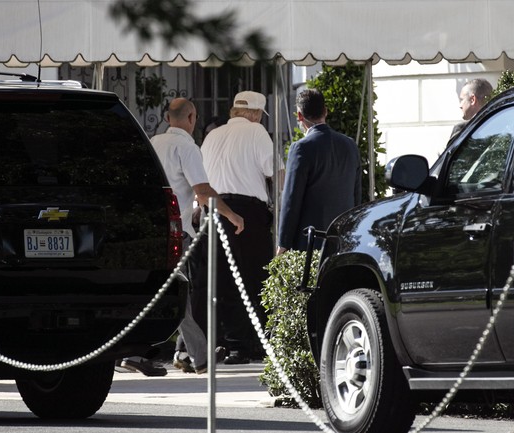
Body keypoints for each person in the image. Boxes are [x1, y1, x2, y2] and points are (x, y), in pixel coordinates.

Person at [121, 98, 244, 376]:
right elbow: (202, 190)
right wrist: (232, 215)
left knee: (157, 293)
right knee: (179, 296)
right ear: (191, 118)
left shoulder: (153, 141)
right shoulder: (186, 147)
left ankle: (159, 353)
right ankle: (197, 357)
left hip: (149, 229)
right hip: (175, 232)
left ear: (167, 117)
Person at [201, 90, 284, 364]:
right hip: (247, 213)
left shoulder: (212, 135)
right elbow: (276, 173)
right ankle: (254, 343)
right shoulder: (257, 132)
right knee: (254, 279)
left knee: (223, 280)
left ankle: (230, 343)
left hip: (213, 210)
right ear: (256, 113)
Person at [277, 88, 361, 254]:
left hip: (310, 241)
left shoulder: (301, 147)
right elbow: (356, 195)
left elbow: (292, 200)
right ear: (325, 111)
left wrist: (283, 244)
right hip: (343, 239)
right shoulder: (350, 145)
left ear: (300, 116)